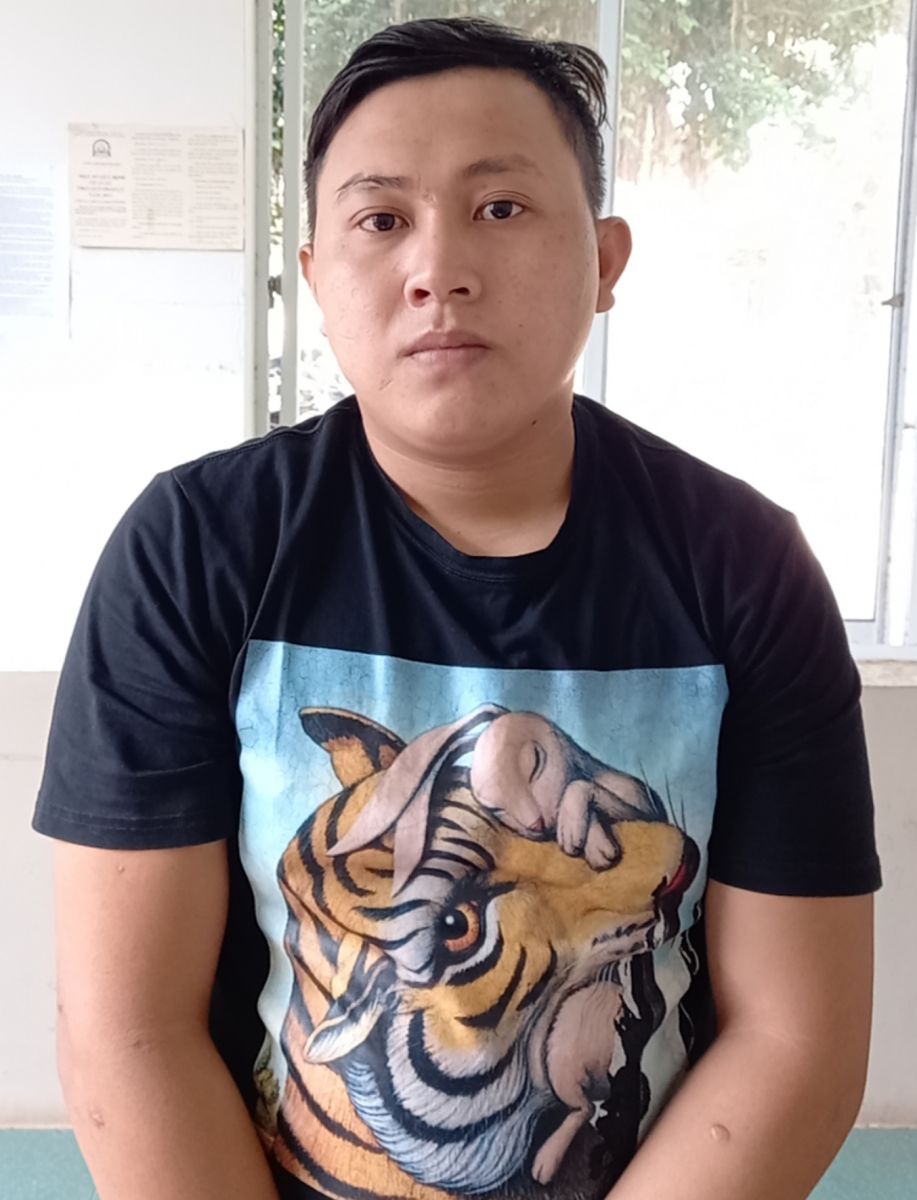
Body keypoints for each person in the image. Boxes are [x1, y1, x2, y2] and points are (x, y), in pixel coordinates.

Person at [33, 16, 881, 1200]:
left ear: (604, 261)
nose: (437, 268)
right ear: (315, 275)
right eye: (380, 220)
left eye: (500, 207)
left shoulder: (745, 564)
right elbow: (129, 1033)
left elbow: (794, 1040)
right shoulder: (193, 550)